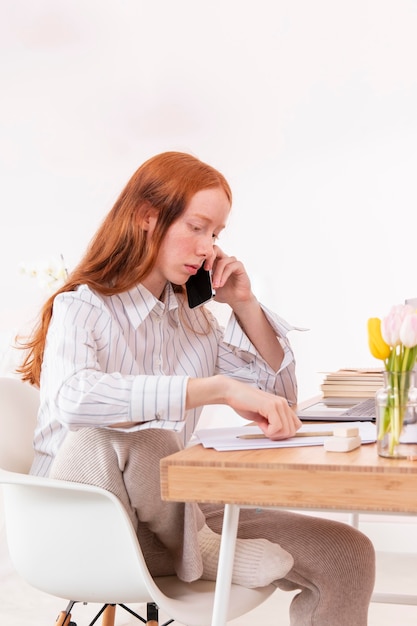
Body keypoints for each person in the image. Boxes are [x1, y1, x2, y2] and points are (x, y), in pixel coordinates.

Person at [18, 151, 375, 625]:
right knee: (135, 441)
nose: (208, 248)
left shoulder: (196, 321)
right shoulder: (82, 308)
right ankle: (200, 550)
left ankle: (199, 545)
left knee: (346, 553)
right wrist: (216, 389)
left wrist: (244, 305)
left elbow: (280, 400)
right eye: (197, 227)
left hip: (175, 510)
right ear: (148, 217)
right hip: (85, 526)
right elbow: (74, 400)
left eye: (217, 235)